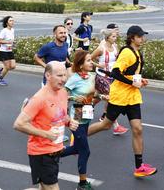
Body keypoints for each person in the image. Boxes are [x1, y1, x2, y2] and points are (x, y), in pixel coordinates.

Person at [88, 25, 157, 177]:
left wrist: (140, 80)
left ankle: (139, 167)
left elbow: (131, 74)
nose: (142, 38)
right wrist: (132, 82)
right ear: (132, 37)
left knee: (138, 129)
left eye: (142, 36)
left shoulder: (137, 52)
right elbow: (115, 73)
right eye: (140, 36)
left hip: (132, 97)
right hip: (119, 96)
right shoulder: (127, 52)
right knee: (105, 125)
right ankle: (79, 136)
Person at [13, 61, 79, 190]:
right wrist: (46, 134)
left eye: (65, 75)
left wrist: (69, 122)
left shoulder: (63, 92)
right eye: (59, 76)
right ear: (48, 76)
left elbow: (59, 115)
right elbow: (19, 124)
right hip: (41, 153)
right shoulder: (40, 98)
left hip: (55, 150)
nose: (64, 79)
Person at [60, 50, 107, 190]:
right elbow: (62, 96)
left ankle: (52, 154)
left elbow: (94, 94)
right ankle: (82, 183)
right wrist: (74, 98)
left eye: (91, 60)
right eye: (88, 61)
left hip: (86, 116)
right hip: (76, 120)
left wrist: (103, 97)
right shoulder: (74, 79)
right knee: (85, 151)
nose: (91, 63)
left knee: (76, 148)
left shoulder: (92, 76)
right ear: (80, 65)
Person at [91, 28, 128, 135]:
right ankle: (115, 126)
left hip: (112, 76)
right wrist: (98, 65)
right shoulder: (101, 49)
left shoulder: (115, 47)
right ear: (107, 38)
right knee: (111, 97)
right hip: (102, 76)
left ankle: (87, 106)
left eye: (115, 36)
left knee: (98, 95)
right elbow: (89, 58)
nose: (115, 38)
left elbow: (117, 60)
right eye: (113, 36)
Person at [0, 16, 16, 86]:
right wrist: (7, 42)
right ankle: (0, 79)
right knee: (7, 67)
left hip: (10, 50)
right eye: (10, 21)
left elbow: (11, 40)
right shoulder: (4, 31)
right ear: (7, 23)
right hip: (3, 51)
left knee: (12, 66)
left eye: (13, 20)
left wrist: (13, 44)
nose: (12, 22)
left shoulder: (12, 30)